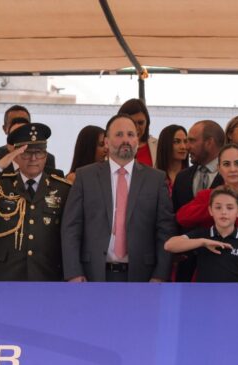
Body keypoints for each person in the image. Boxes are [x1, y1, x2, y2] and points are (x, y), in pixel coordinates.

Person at [61, 114, 175, 282]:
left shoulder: (156, 179)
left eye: (131, 134)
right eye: (119, 134)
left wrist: (160, 275)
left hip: (143, 278)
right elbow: (71, 227)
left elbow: (165, 231)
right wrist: (74, 272)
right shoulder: (85, 176)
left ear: (138, 139)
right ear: (106, 142)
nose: (126, 140)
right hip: (92, 275)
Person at [0, 122, 71, 281]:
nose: (33, 158)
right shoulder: (1, 185)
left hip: (47, 275)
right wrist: (0, 166)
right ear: (15, 155)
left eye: (39, 152)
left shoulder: (62, 189)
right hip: (7, 275)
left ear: (46, 155)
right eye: (26, 153)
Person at [176, 144, 238, 253]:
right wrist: (216, 207)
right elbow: (182, 217)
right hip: (213, 263)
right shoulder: (207, 195)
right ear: (219, 168)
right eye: (226, 164)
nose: (233, 169)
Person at [165, 189, 238, 283]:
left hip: (234, 296)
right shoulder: (202, 235)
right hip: (205, 295)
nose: (224, 212)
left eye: (230, 208)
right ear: (210, 210)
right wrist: (203, 242)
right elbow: (169, 245)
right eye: (218, 207)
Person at [0, 105, 55, 172]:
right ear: (5, 129)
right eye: (13, 124)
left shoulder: (47, 159)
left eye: (23, 125)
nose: (19, 129)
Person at [118, 98, 156, 167]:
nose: (136, 127)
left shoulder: (157, 146)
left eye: (141, 123)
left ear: (147, 123)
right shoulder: (110, 146)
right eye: (131, 122)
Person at [155, 124, 189, 195]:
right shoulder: (154, 176)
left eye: (185, 141)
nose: (183, 147)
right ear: (165, 145)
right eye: (176, 142)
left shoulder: (193, 176)